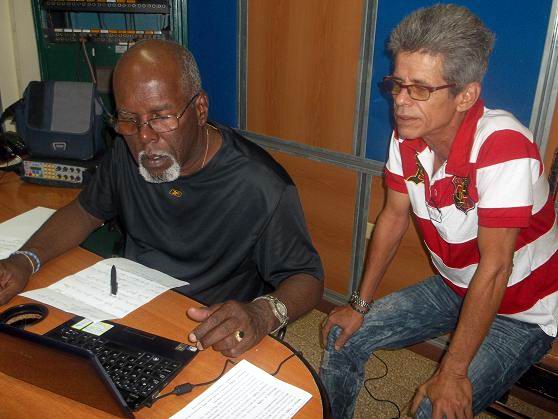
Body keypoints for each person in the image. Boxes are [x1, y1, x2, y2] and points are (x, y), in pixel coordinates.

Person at [0, 39, 324, 357]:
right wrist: (25, 260)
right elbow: (85, 211)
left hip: (211, 326)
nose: (144, 137)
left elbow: (306, 277)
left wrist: (262, 314)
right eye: (129, 118)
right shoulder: (126, 151)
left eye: (161, 117)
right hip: (127, 305)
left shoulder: (262, 185)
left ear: (199, 109)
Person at [321, 4, 558, 418]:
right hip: (456, 287)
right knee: (342, 335)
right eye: (397, 84)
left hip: (521, 310)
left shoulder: (504, 148)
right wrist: (359, 304)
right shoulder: (409, 137)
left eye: (420, 89)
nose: (400, 101)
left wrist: (453, 370)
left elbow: (497, 267)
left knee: (436, 408)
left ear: (465, 94)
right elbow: (394, 219)